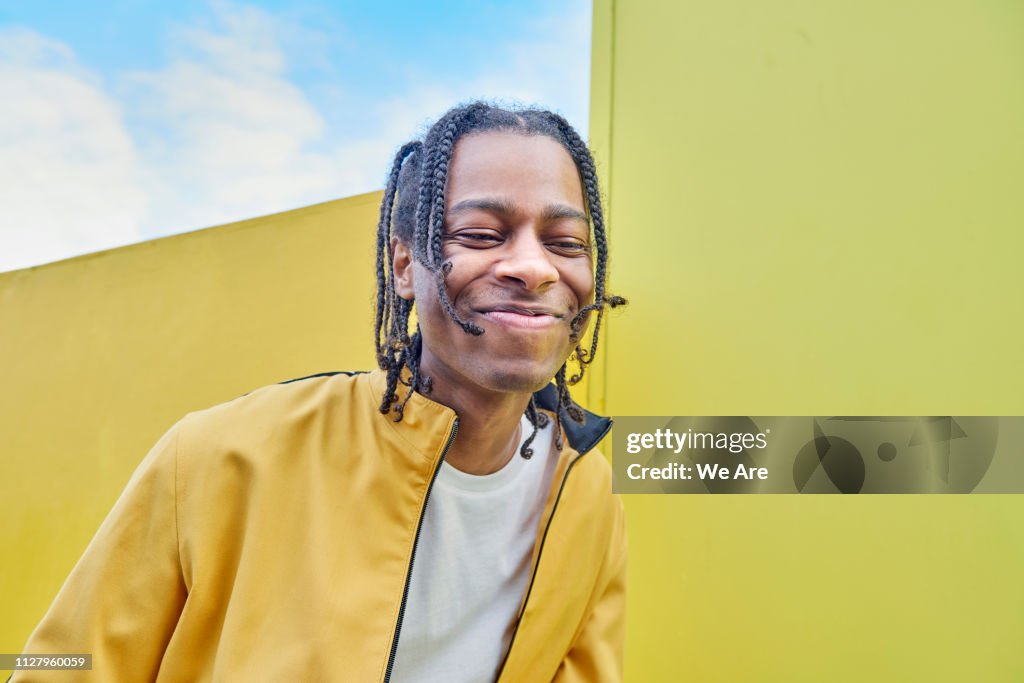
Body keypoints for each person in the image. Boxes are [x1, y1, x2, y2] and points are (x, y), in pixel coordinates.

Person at [12, 101, 628, 682]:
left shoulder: (587, 494)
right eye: (480, 234)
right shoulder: (221, 456)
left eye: (565, 243)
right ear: (404, 266)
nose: (535, 267)